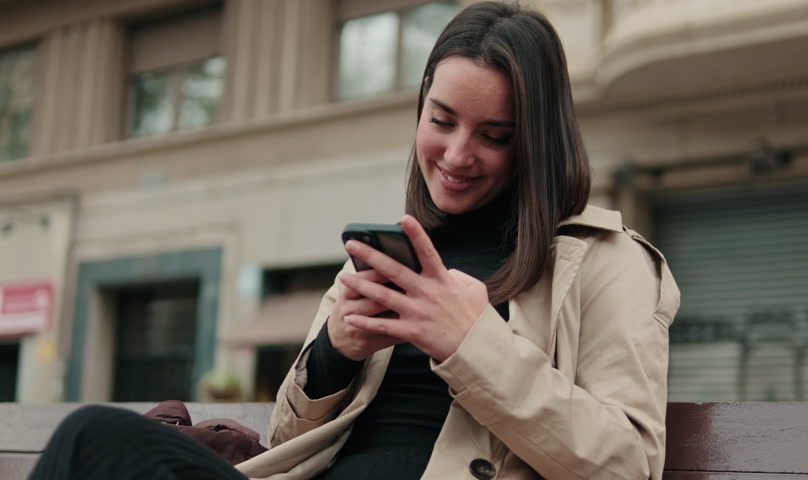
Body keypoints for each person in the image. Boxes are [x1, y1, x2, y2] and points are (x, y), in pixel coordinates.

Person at [30, 2, 678, 479]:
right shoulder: (392, 252)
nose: (456, 154)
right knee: (92, 439)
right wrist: (334, 355)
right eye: (441, 120)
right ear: (421, 109)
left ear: (538, 141)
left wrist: (472, 342)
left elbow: (629, 463)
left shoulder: (605, 262)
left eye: (494, 135)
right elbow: (287, 439)